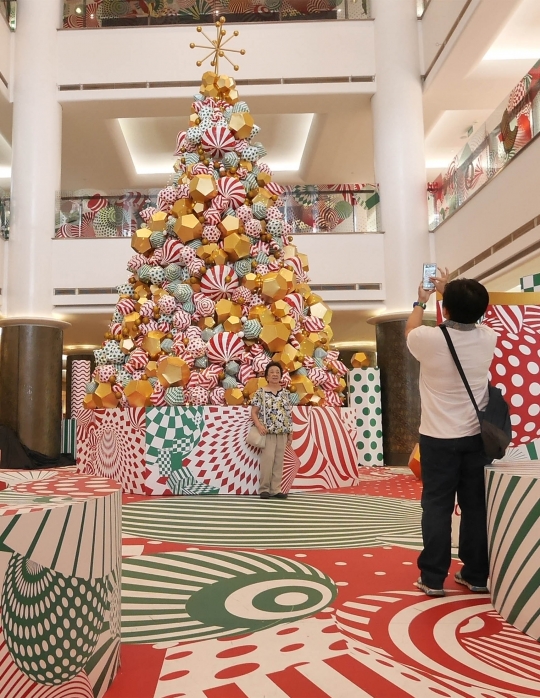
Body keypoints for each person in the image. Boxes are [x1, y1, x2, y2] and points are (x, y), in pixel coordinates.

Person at [405, 268, 497, 597]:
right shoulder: (489, 337)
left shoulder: (429, 339)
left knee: (437, 507)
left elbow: (411, 328)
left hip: (437, 439)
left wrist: (422, 299)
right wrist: (449, 293)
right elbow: (469, 319)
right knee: (475, 507)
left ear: (446, 308)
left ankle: (432, 578)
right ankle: (475, 575)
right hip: (477, 438)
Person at [251, 362, 293, 500]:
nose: (275, 374)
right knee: (267, 461)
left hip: (282, 432)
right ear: (267, 375)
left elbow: (288, 413)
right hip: (267, 432)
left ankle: (276, 489)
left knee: (279, 461)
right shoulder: (261, 392)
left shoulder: (286, 393)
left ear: (281, 375)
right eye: (272, 372)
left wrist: (290, 433)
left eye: (277, 372)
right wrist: (259, 426)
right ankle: (264, 489)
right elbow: (254, 412)